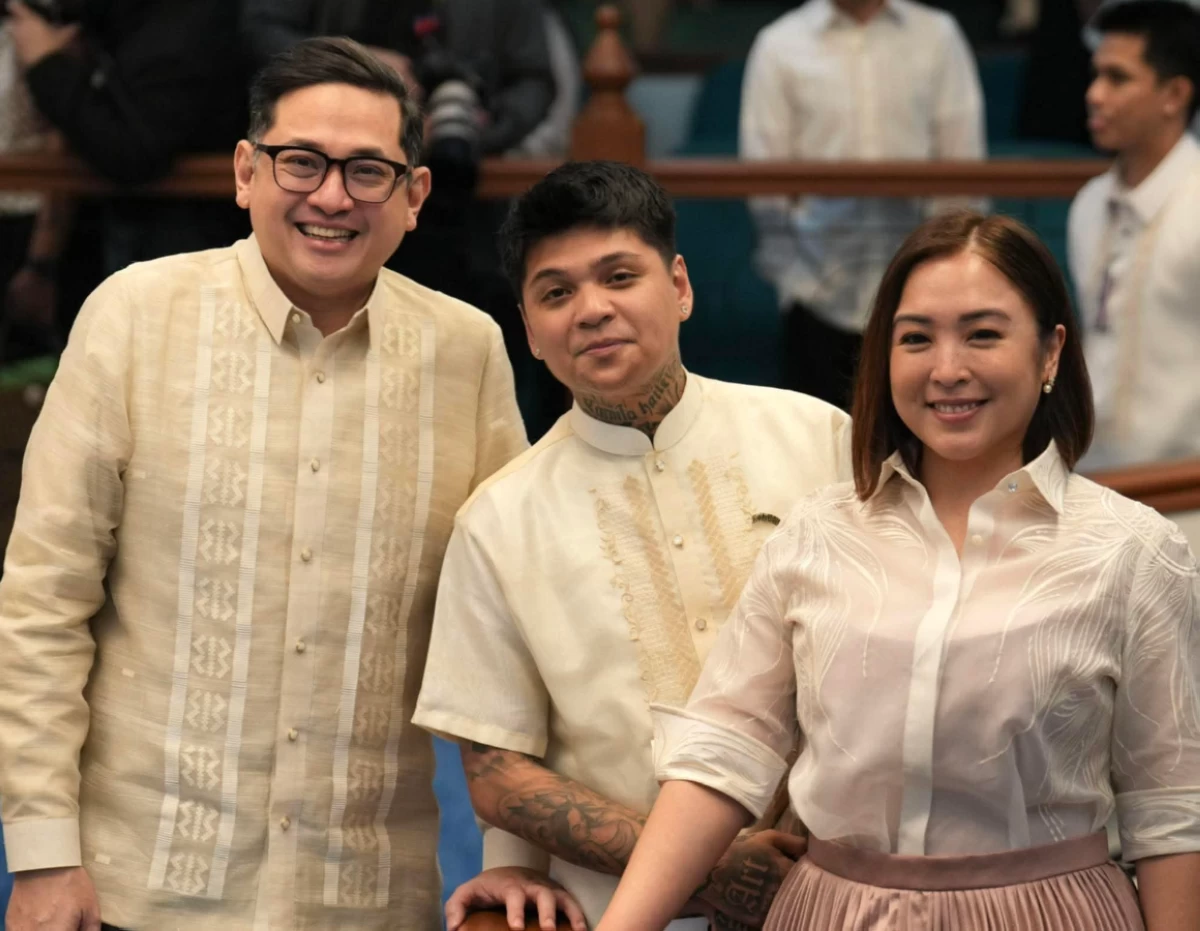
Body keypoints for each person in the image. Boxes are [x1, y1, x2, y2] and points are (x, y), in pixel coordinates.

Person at [0, 36, 526, 931]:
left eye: (368, 170)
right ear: (246, 172)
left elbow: (508, 629)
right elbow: (44, 603)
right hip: (137, 892)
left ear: (414, 197)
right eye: (301, 161)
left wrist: (516, 852)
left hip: (365, 900)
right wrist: (44, 855)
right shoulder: (135, 315)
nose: (332, 196)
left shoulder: (466, 351)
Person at [596, 210, 1200, 931]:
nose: (947, 369)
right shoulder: (816, 534)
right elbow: (720, 759)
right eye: (916, 338)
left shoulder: (1133, 551)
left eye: (983, 334)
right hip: (834, 912)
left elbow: (1171, 813)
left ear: (1050, 352)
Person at [412, 161, 852, 931]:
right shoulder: (499, 519)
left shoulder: (818, 437)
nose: (593, 310)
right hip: (618, 911)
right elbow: (498, 772)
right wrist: (710, 868)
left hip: (843, 892)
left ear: (679, 286)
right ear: (530, 331)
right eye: (557, 293)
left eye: (620, 276)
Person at [741, 0, 985, 410]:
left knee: (926, 442)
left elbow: (962, 175)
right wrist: (794, 281)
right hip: (816, 292)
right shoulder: (779, 44)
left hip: (923, 292)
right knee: (817, 444)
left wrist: (946, 274)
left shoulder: (937, 35)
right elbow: (765, 185)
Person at [5, 0, 249, 275]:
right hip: (124, 221)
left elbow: (135, 150)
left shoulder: (183, 23)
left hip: (180, 227)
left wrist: (48, 64)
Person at [1068, 0, 1200, 469]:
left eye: (1117, 78)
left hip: (1187, 484)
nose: (1095, 94)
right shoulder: (1088, 203)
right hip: (1096, 479)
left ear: (1174, 94)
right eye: (1095, 75)